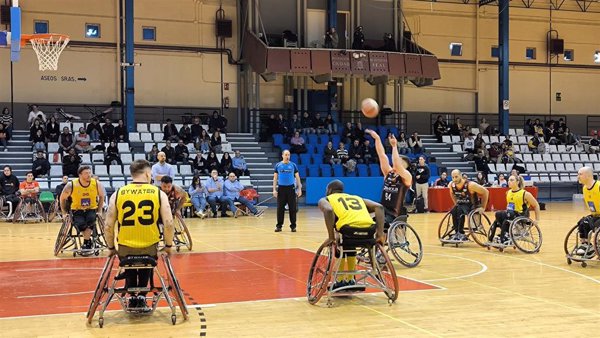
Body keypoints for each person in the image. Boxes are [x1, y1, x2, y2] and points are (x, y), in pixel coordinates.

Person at [104, 159, 174, 309]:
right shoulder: (158, 193)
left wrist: (111, 247)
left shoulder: (117, 193)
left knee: (128, 261)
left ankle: (132, 296)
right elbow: (168, 223)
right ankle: (141, 295)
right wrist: (168, 245)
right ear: (148, 174)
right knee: (147, 261)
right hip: (149, 247)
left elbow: (108, 226)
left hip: (125, 247)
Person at [318, 179, 385, 289]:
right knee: (350, 243)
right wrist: (380, 234)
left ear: (329, 190)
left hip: (348, 230)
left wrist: (331, 237)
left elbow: (328, 210)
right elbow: (379, 207)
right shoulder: (357, 198)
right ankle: (351, 279)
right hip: (369, 230)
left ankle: (339, 281)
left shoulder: (326, 199)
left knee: (339, 240)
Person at [365, 129, 412, 229]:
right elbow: (382, 156)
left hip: (395, 213)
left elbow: (396, 164)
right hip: (382, 209)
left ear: (406, 165)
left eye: (400, 161)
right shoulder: (388, 173)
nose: (397, 162)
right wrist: (377, 139)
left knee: (380, 226)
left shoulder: (406, 176)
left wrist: (394, 146)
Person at [60, 166, 105, 250]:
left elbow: (102, 196)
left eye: (89, 173)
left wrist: (99, 211)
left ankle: (86, 242)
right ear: (80, 175)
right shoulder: (71, 185)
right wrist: (64, 212)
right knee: (81, 224)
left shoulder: (96, 183)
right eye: (86, 173)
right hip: (77, 210)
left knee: (90, 221)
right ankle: (88, 241)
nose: (89, 175)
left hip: (91, 209)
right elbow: (62, 198)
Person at [488, 174, 540, 245]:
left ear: (517, 182)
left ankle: (505, 236)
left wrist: (537, 219)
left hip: (521, 215)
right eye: (508, 180)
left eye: (512, 180)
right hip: (511, 214)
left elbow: (536, 205)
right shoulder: (508, 192)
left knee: (508, 215)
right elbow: (509, 206)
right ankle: (499, 235)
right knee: (498, 214)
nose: (509, 182)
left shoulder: (525, 194)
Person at [447, 169, 489, 241]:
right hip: (461, 204)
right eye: (453, 177)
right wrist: (456, 203)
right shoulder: (451, 185)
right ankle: (456, 231)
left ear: (461, 176)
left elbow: (486, 192)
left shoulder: (470, 185)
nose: (454, 179)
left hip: (472, 205)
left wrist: (483, 207)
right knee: (454, 210)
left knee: (459, 210)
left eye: (456, 177)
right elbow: (451, 193)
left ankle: (461, 233)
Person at [273, 149, 302, 232]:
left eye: (288, 155)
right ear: (282, 155)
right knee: (280, 209)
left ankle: (293, 226)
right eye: (285, 155)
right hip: (281, 189)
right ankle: (279, 226)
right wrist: (274, 189)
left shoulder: (293, 165)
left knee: (292, 208)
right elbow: (275, 178)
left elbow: (297, 177)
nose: (287, 156)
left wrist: (299, 189)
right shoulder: (278, 165)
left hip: (291, 189)